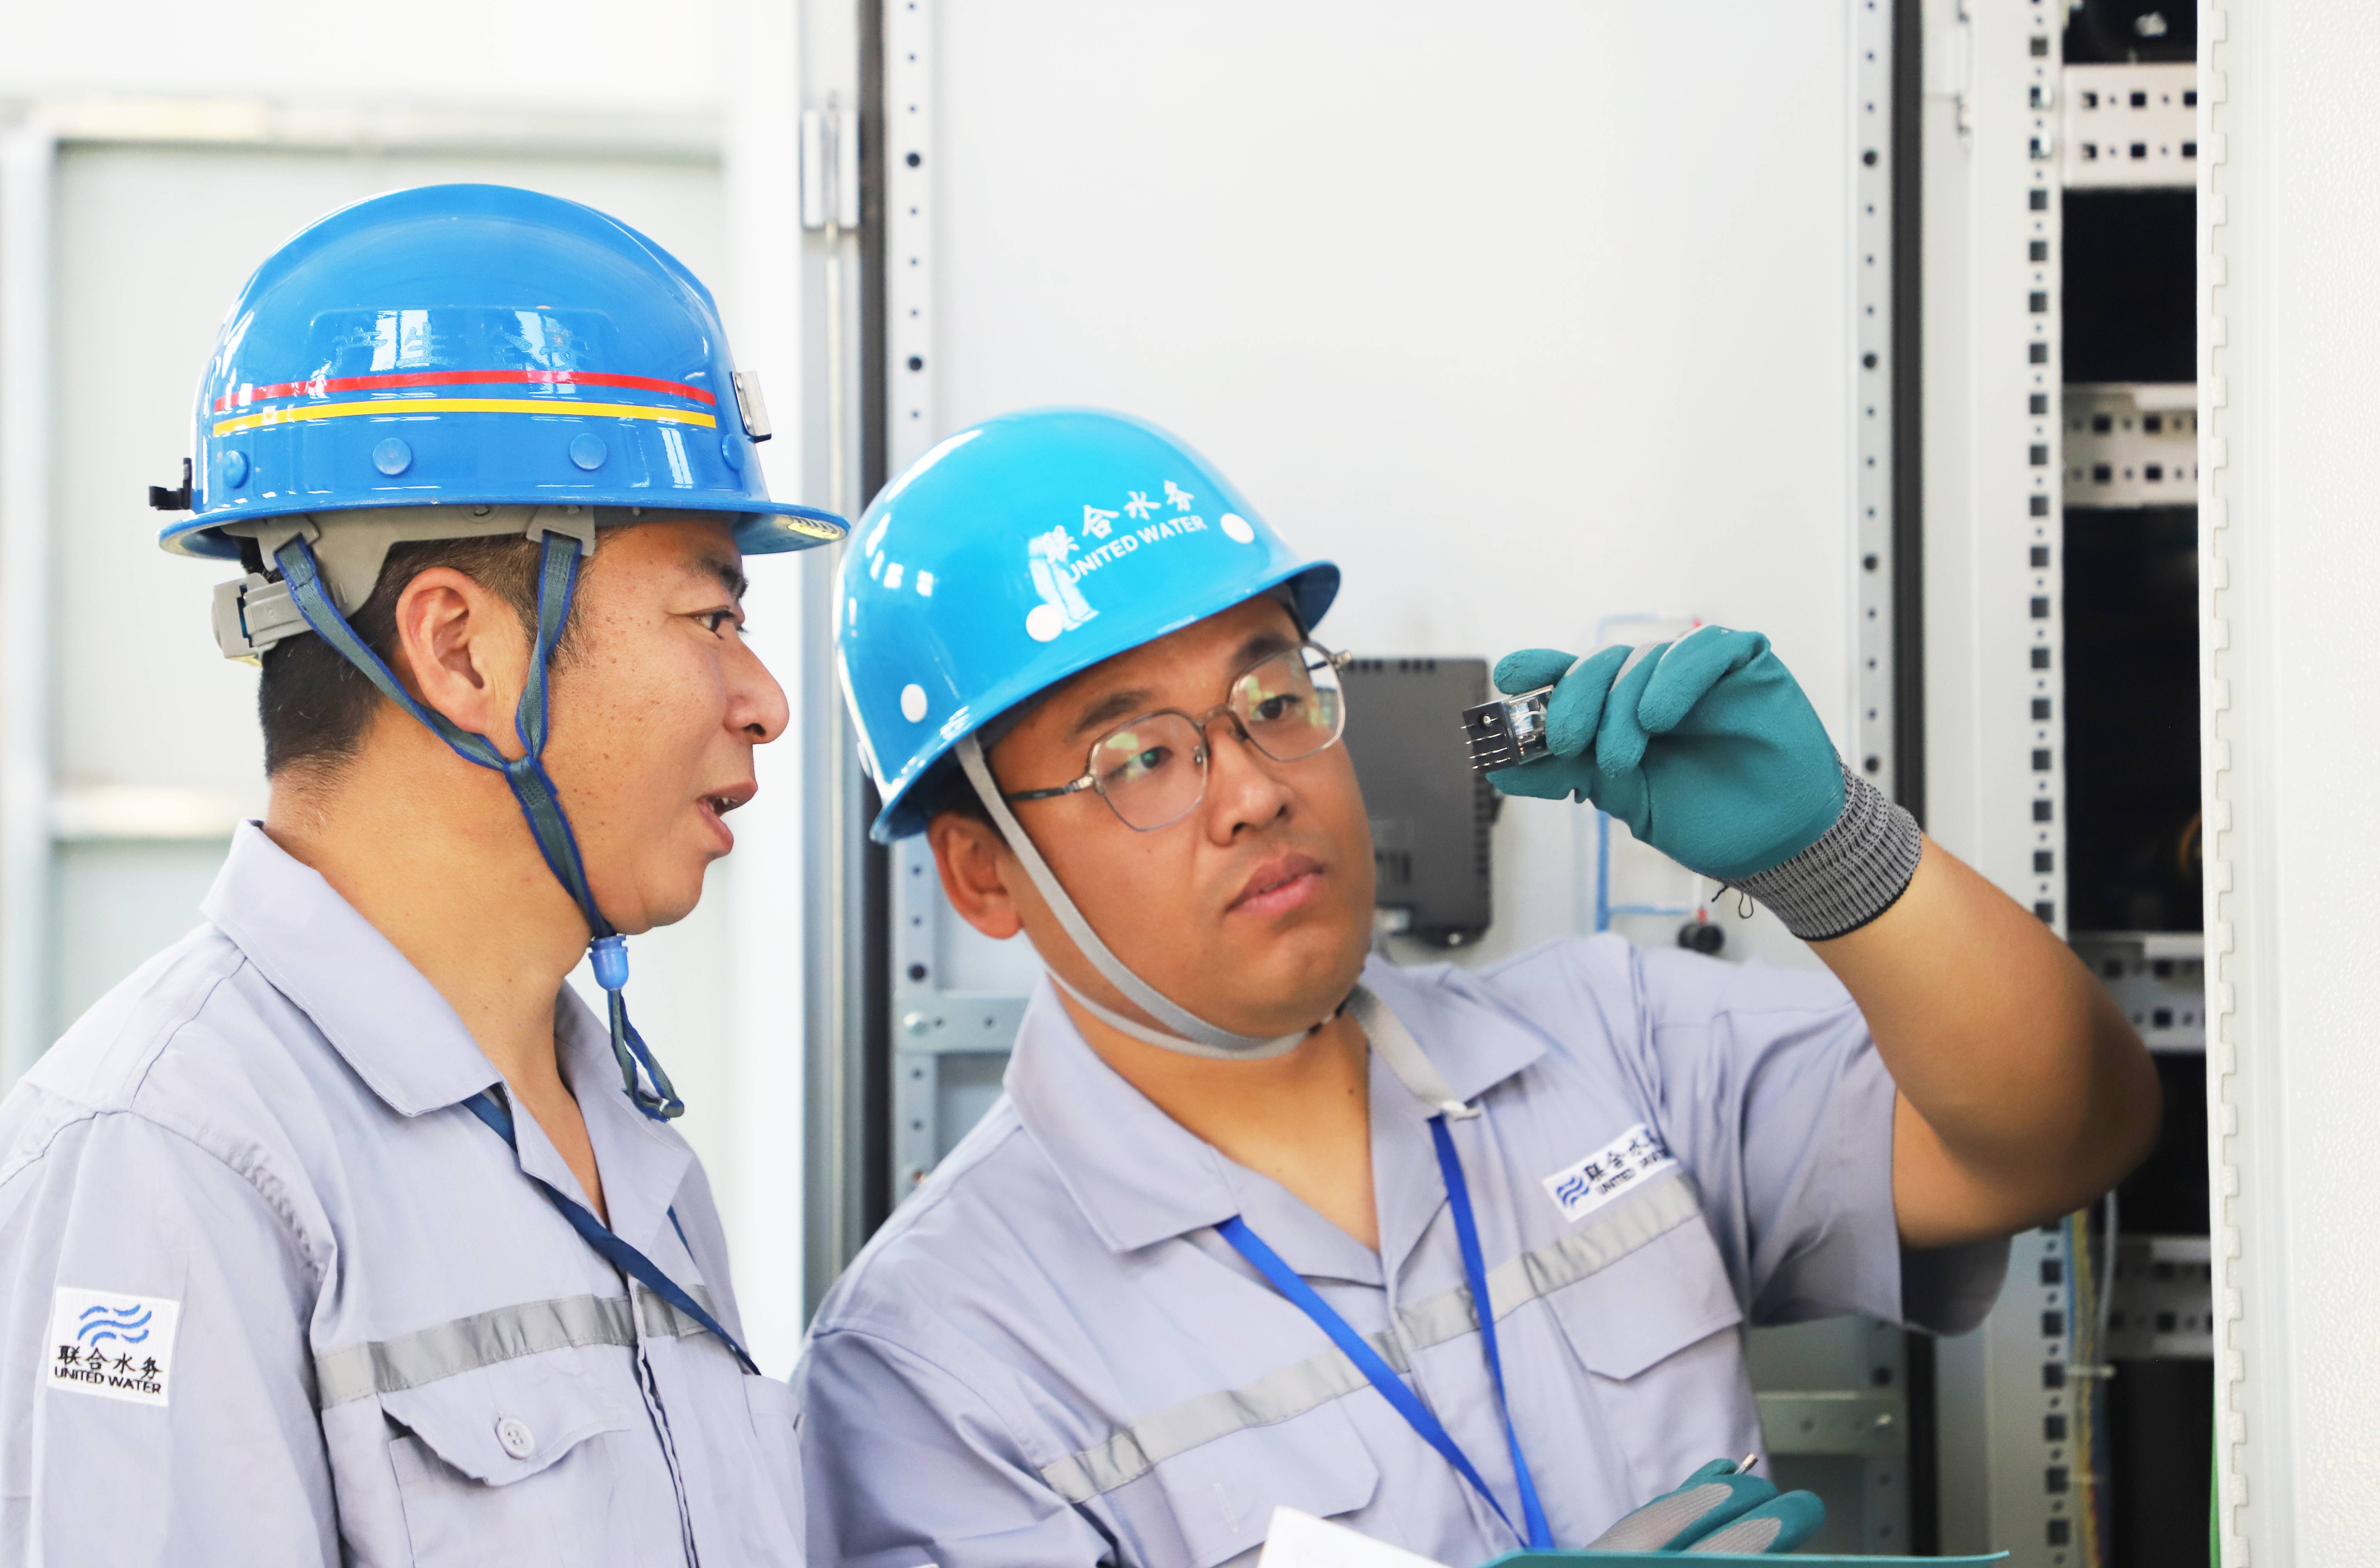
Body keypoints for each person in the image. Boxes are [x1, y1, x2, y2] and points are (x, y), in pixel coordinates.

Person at [800, 409, 2161, 1567]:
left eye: (1274, 700)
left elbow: (2068, 1136)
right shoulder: (941, 1362)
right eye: (1141, 758)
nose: (1257, 791)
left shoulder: (1607, 1044)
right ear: (983, 873)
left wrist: (1832, 857)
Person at [0, 185, 843, 1566]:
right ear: (461, 651)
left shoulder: (630, 1147)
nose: (764, 701)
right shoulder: (168, 1166)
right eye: (712, 614)